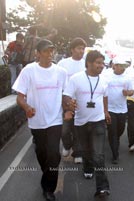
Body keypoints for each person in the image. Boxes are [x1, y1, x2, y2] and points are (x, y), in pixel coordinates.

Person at [12, 39, 67, 201]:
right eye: (46, 51)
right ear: (38, 53)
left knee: (53, 154)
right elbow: (20, 98)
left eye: (52, 51)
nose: (50, 54)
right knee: (41, 152)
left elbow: (65, 94)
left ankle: (48, 188)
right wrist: (27, 108)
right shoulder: (29, 71)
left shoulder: (61, 72)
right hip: (36, 121)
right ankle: (48, 174)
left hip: (55, 120)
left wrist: (69, 105)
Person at [63, 50, 111, 197]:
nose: (101, 66)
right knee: (86, 151)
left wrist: (106, 112)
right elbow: (66, 96)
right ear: (89, 63)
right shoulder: (76, 79)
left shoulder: (103, 80)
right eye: (98, 62)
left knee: (99, 155)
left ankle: (102, 187)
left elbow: (104, 97)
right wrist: (69, 106)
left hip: (98, 121)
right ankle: (88, 167)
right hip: (80, 122)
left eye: (102, 63)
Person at [58, 37, 87, 164]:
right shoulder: (62, 64)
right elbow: (58, 83)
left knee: (78, 129)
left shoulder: (86, 64)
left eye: (83, 49)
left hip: (81, 102)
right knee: (64, 130)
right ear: (72, 50)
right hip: (66, 101)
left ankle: (78, 153)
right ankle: (67, 144)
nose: (82, 51)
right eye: (79, 48)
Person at [107, 57, 134, 164]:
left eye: (125, 66)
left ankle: (115, 141)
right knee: (112, 131)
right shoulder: (107, 76)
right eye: (121, 66)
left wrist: (128, 93)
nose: (123, 68)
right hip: (110, 109)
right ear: (115, 66)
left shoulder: (127, 78)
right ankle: (115, 154)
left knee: (120, 130)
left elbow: (131, 91)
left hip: (122, 109)